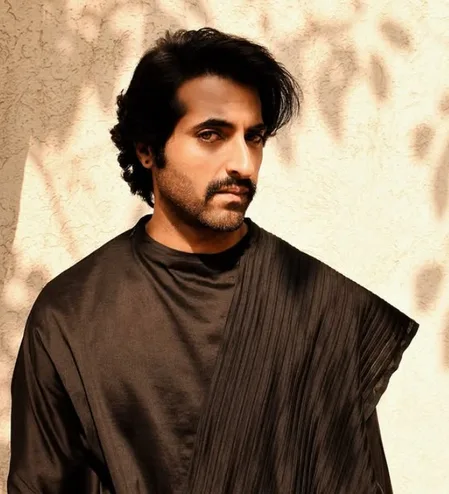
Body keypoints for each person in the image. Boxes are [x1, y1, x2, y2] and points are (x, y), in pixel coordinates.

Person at [8, 27, 418, 494]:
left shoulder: (322, 307)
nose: (243, 163)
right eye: (211, 135)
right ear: (147, 149)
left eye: (254, 137)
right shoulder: (71, 315)